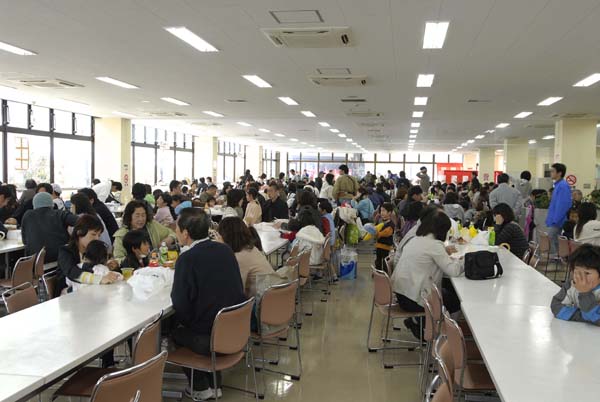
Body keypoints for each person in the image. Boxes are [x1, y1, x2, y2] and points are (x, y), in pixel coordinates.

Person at [170, 208, 246, 400]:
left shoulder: (187, 259)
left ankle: (200, 387)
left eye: (177, 228)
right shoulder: (225, 250)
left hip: (208, 339)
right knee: (208, 318)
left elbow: (180, 303)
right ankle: (214, 384)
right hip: (235, 331)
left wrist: (184, 321)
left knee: (173, 331)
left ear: (185, 233)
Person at [391, 209, 462, 339]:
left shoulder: (416, 239)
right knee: (455, 300)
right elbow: (454, 271)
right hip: (414, 300)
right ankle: (448, 337)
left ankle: (419, 324)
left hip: (401, 294)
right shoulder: (434, 245)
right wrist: (465, 261)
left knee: (447, 290)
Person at [57, 214, 120, 294]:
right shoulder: (66, 251)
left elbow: (96, 268)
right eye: (93, 234)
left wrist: (108, 266)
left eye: (99, 235)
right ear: (79, 232)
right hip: (67, 296)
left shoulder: (95, 251)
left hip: (91, 293)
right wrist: (99, 279)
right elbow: (72, 272)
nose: (97, 238)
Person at [217, 217, 276, 297]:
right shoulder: (251, 248)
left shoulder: (239, 258)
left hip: (261, 302)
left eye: (219, 236)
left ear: (226, 236)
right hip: (273, 298)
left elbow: (237, 291)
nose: (218, 239)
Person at [21, 192, 79, 263]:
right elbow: (82, 221)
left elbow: (24, 241)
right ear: (52, 204)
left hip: (35, 261)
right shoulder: (59, 214)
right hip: (59, 258)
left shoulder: (27, 215)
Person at [551, 244, 600, 325]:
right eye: (576, 272)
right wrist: (583, 316)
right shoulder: (571, 285)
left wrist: (585, 293)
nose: (581, 277)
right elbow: (556, 306)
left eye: (587, 273)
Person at [546, 163, 572, 256]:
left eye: (553, 171)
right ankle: (558, 260)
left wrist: (555, 220)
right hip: (554, 219)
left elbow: (563, 205)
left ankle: (555, 259)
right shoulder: (558, 186)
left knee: (550, 237)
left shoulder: (563, 186)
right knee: (555, 240)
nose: (551, 173)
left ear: (559, 173)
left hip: (558, 220)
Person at [374, 203, 395, 270]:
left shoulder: (391, 224)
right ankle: (378, 273)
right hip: (378, 245)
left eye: (384, 211)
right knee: (378, 261)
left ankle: (386, 274)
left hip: (386, 247)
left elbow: (387, 233)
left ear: (389, 212)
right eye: (381, 211)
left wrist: (377, 233)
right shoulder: (380, 221)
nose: (381, 213)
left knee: (385, 262)